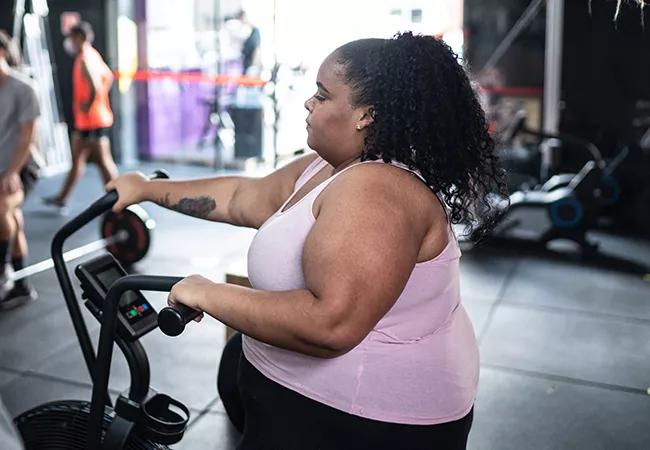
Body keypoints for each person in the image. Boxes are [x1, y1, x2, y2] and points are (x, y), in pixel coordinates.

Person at [108, 32, 507, 449]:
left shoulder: (378, 192)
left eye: (322, 94)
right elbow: (243, 198)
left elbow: (331, 325)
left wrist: (208, 294)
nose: (308, 102)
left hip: (361, 421)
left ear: (366, 115)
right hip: (303, 401)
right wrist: (146, 189)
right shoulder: (328, 167)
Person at [43, 21, 117, 209]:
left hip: (91, 121)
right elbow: (108, 77)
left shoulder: (85, 59)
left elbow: (95, 84)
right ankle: (62, 197)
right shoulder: (93, 55)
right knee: (80, 160)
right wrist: (98, 100)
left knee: (102, 161)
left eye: (72, 38)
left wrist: (89, 103)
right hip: (94, 120)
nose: (70, 42)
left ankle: (119, 195)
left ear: (80, 38)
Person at [0, 30, 39, 309]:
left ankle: (3, 274)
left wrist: (12, 172)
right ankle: (23, 284)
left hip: (22, 168)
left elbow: (28, 137)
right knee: (13, 218)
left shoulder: (23, 89)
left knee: (2, 209)